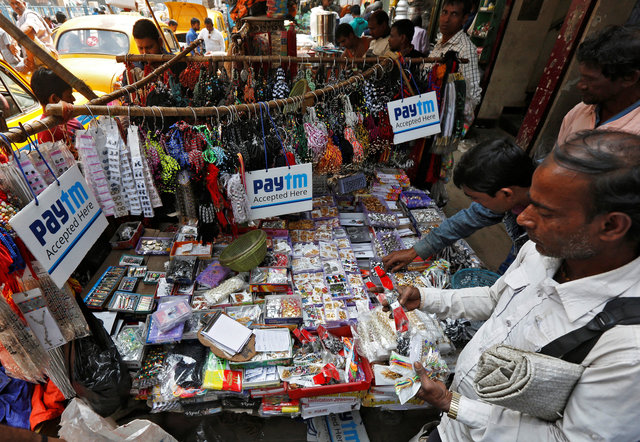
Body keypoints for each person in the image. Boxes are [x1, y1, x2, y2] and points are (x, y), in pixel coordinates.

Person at [401, 129, 640, 442]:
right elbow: (493, 299)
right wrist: (427, 298)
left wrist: (453, 403)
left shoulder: (627, 348)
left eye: (544, 209)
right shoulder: (541, 252)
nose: (523, 217)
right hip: (452, 425)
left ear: (611, 225)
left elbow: (567, 439)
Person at [383, 139, 533, 273]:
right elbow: (467, 219)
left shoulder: (548, 228)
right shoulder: (512, 193)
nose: (476, 205)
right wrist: (415, 251)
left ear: (505, 194)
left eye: (477, 198)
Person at [557, 25, 640, 145]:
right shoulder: (580, 111)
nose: (581, 86)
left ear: (629, 78)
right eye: (582, 77)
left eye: (590, 79)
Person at [428, 0, 481, 125]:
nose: (446, 19)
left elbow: (473, 96)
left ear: (465, 19)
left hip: (442, 123)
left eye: (454, 14)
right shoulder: (440, 44)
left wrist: (448, 115)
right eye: (445, 12)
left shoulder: (465, 49)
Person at [30, 68, 83, 147]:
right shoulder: (47, 133)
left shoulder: (66, 115)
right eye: (69, 96)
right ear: (54, 99)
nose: (73, 99)